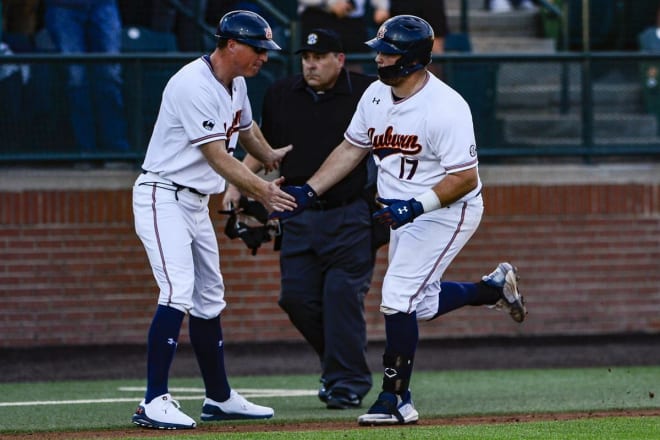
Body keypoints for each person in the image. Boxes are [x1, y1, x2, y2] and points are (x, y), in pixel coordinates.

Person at [270, 15, 527, 425]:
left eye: (388, 52)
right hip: (402, 210)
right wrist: (311, 190)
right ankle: (491, 289)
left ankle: (396, 399)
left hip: (446, 209)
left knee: (397, 297)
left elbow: (464, 179)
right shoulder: (374, 95)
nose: (380, 58)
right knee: (418, 304)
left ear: (410, 58)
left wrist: (415, 207)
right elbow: (351, 148)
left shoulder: (446, 107)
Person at [131, 10, 297, 430]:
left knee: (209, 296)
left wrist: (269, 155)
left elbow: (245, 128)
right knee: (177, 289)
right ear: (231, 45)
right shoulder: (192, 84)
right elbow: (218, 156)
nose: (264, 57)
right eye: (258, 49)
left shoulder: (235, 82)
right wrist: (263, 189)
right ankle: (153, 401)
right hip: (162, 194)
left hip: (193, 201)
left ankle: (219, 398)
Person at [223, 28, 378, 410]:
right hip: (298, 217)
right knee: (296, 299)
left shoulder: (367, 92)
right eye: (306, 57)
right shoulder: (281, 93)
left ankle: (346, 383)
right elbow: (266, 149)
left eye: (320, 57)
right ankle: (339, 366)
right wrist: (238, 184)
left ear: (339, 60)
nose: (310, 63)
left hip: (351, 213)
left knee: (342, 297)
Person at [43, 0, 131, 157]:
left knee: (109, 74)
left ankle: (115, 149)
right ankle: (84, 150)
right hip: (63, 7)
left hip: (103, 5)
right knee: (76, 78)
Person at [297, 0, 389, 54]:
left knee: (356, 63)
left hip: (353, 20)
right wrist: (331, 2)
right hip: (318, 16)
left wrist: (382, 6)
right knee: (319, 60)